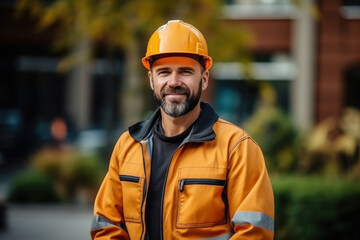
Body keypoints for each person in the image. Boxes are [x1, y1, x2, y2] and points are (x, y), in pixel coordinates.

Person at [91, 20, 274, 240]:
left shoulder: (236, 148)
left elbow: (254, 233)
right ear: (151, 80)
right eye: (164, 72)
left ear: (204, 79)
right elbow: (106, 226)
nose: (174, 82)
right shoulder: (127, 145)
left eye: (185, 72)